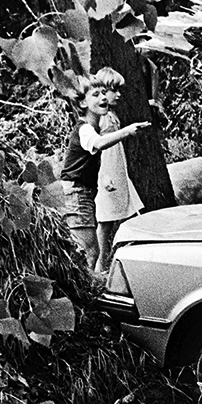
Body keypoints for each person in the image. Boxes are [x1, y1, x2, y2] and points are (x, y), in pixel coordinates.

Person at [63, 69, 147, 272]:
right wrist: (127, 131)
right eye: (96, 95)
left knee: (90, 250)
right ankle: (86, 287)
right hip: (76, 191)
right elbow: (98, 144)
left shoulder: (93, 126)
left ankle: (88, 283)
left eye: (103, 93)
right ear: (83, 103)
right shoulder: (84, 129)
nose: (103, 98)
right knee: (89, 251)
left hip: (85, 191)